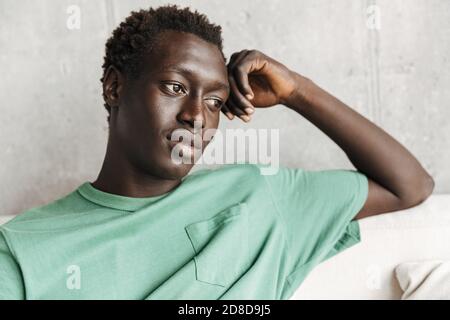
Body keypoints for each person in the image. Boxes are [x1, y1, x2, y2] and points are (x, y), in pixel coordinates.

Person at [0, 5, 434, 300]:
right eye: (175, 88)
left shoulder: (258, 195)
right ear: (115, 87)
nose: (196, 116)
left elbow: (409, 186)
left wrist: (297, 91)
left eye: (213, 101)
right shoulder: (22, 249)